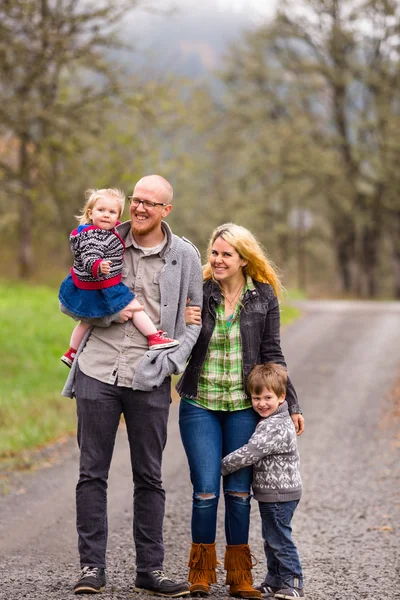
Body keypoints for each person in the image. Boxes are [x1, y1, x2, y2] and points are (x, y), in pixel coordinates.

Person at [61, 175, 203, 596]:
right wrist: (110, 317)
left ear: (166, 211)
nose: (139, 209)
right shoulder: (101, 241)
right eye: (135, 200)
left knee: (150, 475)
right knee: (91, 473)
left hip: (150, 375)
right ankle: (91, 567)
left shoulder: (185, 257)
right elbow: (73, 301)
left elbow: (194, 317)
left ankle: (150, 570)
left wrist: (172, 361)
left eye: (150, 203)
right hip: (97, 370)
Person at [177, 223, 305, 599]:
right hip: (199, 403)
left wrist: (291, 403)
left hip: (243, 409)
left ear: (243, 259)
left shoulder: (263, 296)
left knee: (237, 492)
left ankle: (239, 576)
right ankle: (200, 572)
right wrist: (183, 323)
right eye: (213, 253)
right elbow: (175, 339)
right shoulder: (197, 293)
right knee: (204, 491)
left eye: (225, 254)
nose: (216, 260)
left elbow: (273, 355)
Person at [59, 187, 179, 368]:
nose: (106, 215)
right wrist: (98, 266)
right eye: (101, 210)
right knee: (135, 307)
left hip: (92, 285)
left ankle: (72, 351)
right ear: (90, 213)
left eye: (112, 212)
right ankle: (153, 337)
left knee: (85, 322)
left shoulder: (102, 231)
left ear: (118, 217)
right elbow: (90, 255)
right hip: (103, 284)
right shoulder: (93, 235)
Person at [221, 363, 304, 599]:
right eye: (256, 398)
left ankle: (294, 581)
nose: (261, 403)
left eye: (268, 397)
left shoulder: (276, 425)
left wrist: (223, 464)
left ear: (281, 397)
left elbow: (252, 451)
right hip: (272, 492)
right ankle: (274, 580)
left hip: (280, 492)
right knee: (271, 538)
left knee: (279, 538)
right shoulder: (270, 420)